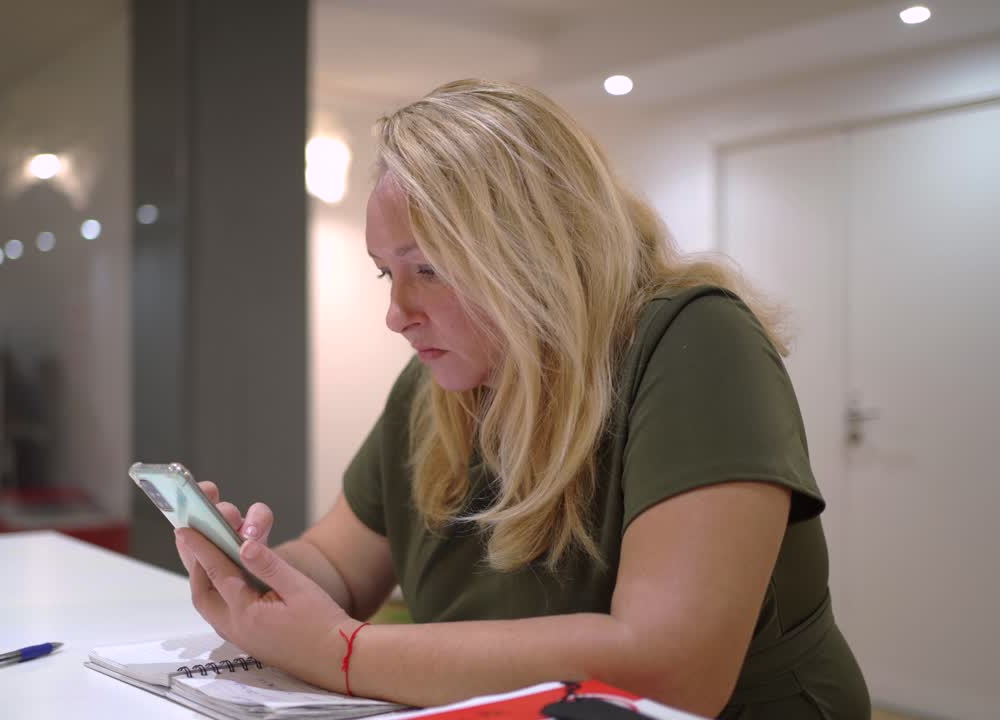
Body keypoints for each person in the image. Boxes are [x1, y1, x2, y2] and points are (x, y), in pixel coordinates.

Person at [173, 79, 869, 720]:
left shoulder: (697, 341)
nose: (396, 314)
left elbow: (670, 669)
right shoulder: (437, 387)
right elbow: (337, 565)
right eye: (387, 272)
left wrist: (343, 652)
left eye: (428, 269)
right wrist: (253, 572)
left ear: (533, 252)